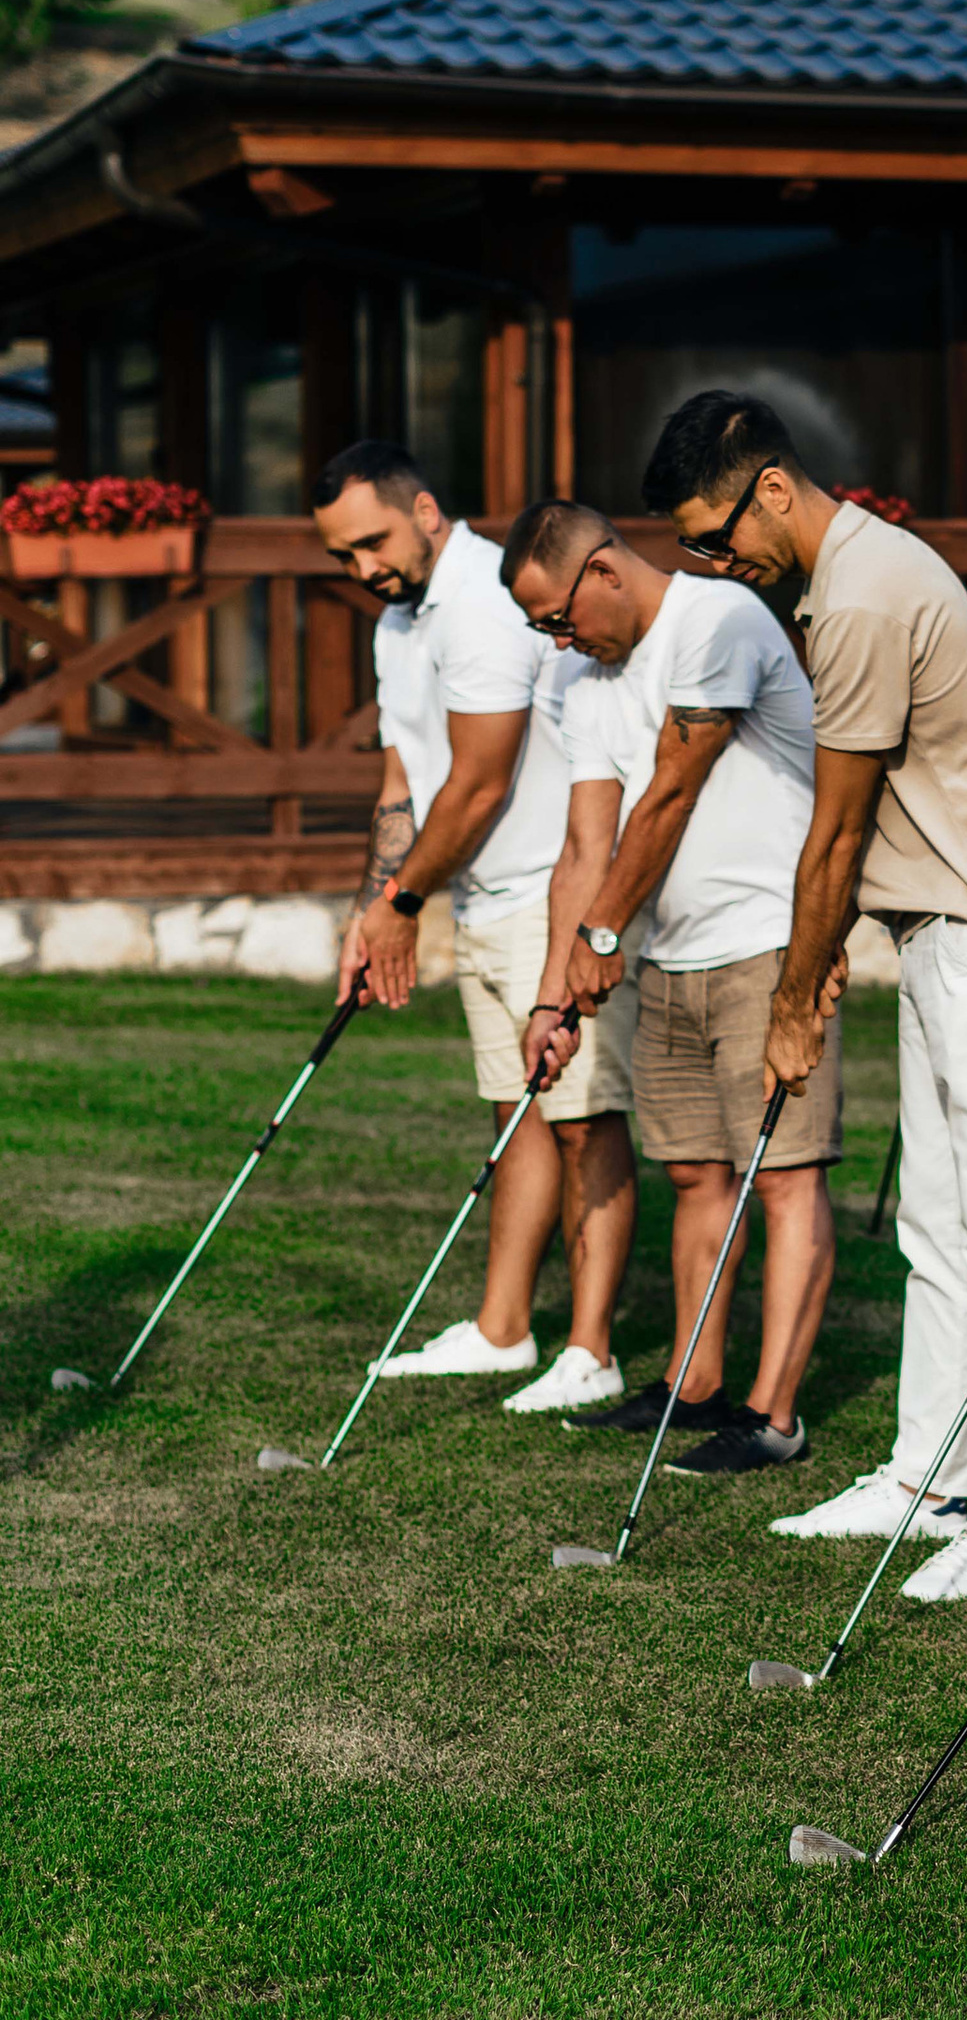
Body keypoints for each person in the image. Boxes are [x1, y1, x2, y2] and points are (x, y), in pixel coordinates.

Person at [637, 390, 967, 1603]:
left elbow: (834, 831)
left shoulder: (857, 593)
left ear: (774, 488)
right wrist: (835, 936)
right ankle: (928, 1474)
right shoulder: (841, 575)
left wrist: (794, 997)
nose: (715, 560)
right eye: (696, 548)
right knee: (935, 1227)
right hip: (940, 919)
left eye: (717, 534)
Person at [499, 497, 838, 1478]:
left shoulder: (718, 617)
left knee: (783, 1176)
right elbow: (584, 842)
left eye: (558, 618)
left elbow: (671, 790)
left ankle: (772, 1417)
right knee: (694, 1173)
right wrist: (556, 991)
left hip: (770, 944)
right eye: (539, 629)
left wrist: (604, 931)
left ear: (604, 571)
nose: (556, 639)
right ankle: (696, 1387)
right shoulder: (583, 676)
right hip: (671, 958)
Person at [315, 437, 635, 1411]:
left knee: (583, 1120)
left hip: (555, 896)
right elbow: (403, 776)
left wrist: (404, 901)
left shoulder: (489, 606)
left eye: (370, 542)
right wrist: (373, 908)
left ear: (423, 512)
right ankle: (503, 1331)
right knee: (516, 1110)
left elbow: (482, 779)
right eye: (340, 556)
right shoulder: (400, 620)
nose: (362, 569)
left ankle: (591, 1350)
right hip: (484, 895)